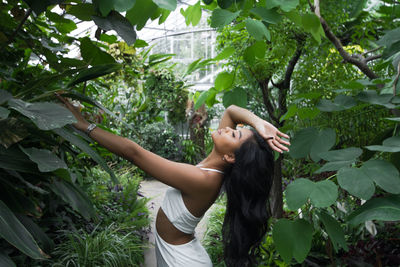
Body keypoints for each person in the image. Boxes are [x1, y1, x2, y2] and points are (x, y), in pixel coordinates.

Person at [57, 95, 290, 267]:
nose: (228, 129)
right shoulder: (217, 162)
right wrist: (259, 124)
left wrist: (84, 126)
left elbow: (134, 153)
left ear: (230, 156)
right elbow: (231, 111)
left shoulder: (202, 178)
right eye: (236, 129)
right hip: (176, 252)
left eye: (235, 134)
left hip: (181, 260)